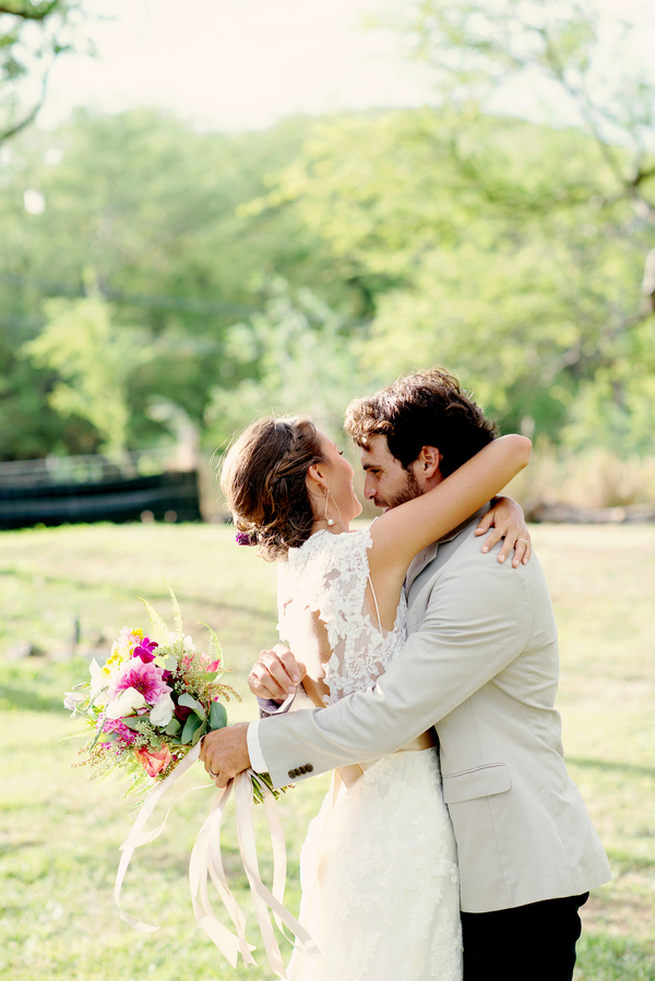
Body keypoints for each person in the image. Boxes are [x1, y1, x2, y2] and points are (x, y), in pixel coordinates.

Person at [201, 368, 544, 979]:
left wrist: (501, 505)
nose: (358, 473)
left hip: (347, 817)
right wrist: (502, 497)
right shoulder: (374, 550)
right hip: (410, 812)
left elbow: (324, 706)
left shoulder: (292, 581)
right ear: (315, 475)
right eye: (341, 456)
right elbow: (514, 449)